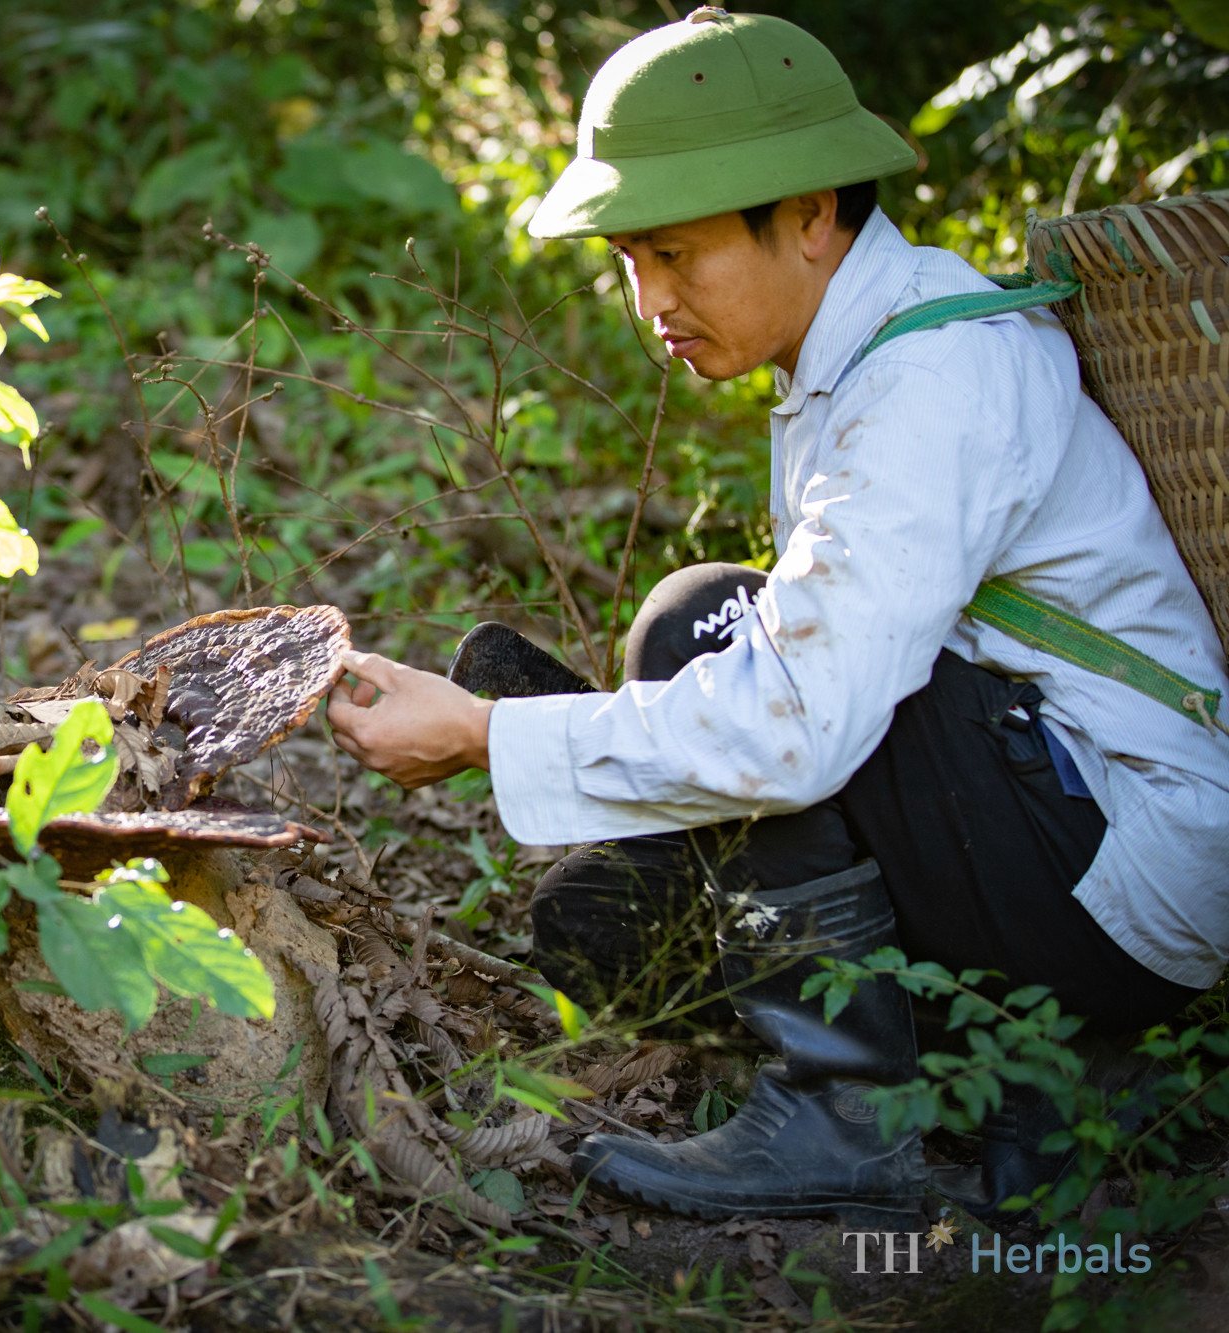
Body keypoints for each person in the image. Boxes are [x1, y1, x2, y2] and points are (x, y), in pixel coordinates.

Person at [325, 7, 1229, 1227]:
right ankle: (1034, 1075)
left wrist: (488, 734)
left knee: (701, 625)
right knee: (608, 915)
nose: (648, 299)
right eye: (628, 261)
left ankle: (851, 1114)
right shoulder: (854, 345)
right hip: (1046, 830)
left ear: (809, 216)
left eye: (677, 254)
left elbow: (798, 726)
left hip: (1118, 877)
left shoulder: (929, 380)